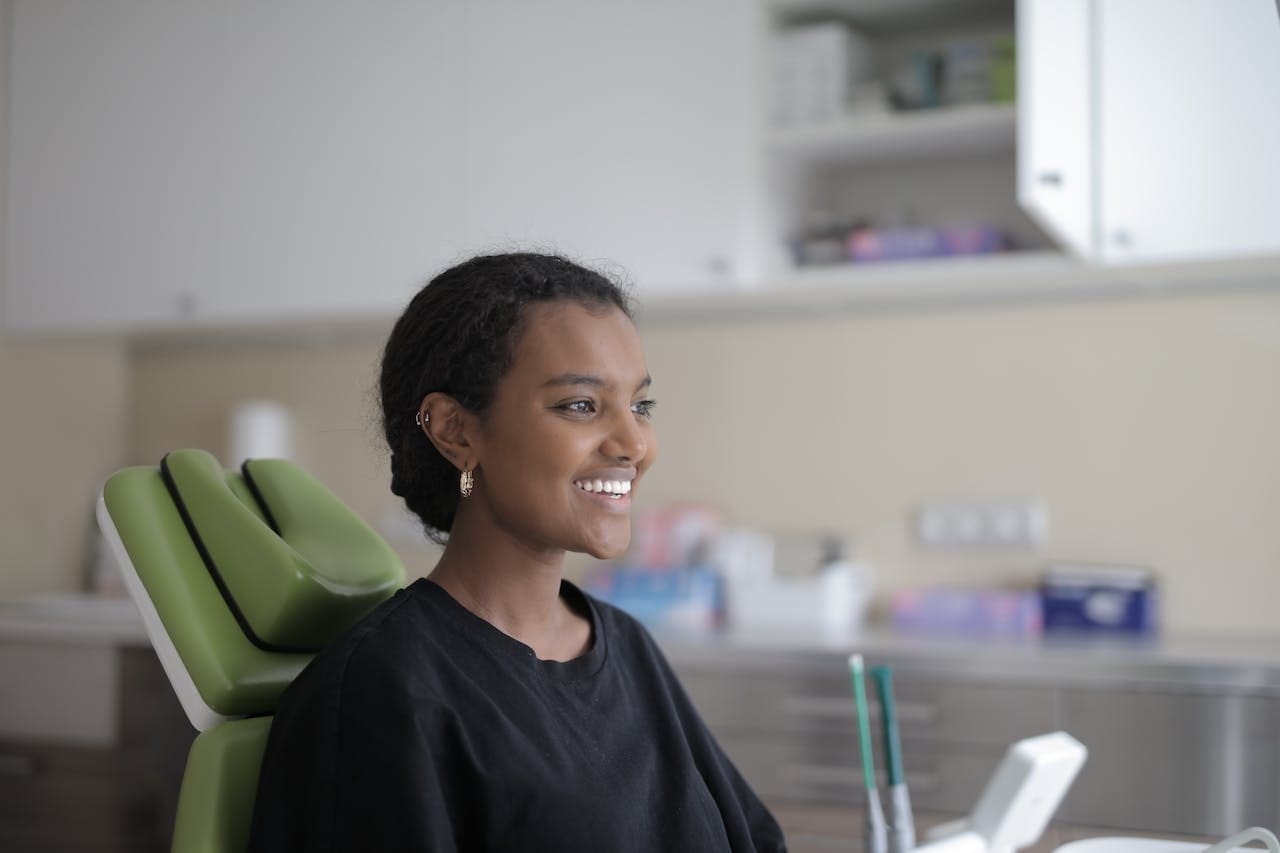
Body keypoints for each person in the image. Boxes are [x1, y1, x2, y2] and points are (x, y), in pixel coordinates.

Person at [248, 252, 787, 852]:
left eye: (640, 405)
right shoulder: (382, 692)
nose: (635, 442)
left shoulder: (624, 644)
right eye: (580, 405)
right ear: (456, 431)